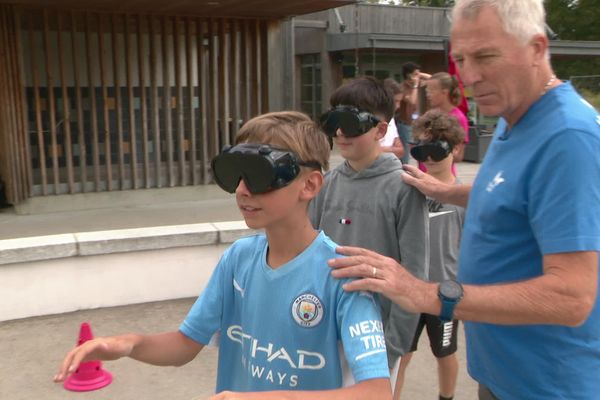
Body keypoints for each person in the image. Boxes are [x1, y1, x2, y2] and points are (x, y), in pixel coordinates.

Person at [326, 1, 600, 399]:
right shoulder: (516, 115)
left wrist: (425, 293)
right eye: (460, 60)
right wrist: (447, 191)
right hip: (503, 372)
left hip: (548, 383)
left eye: (486, 56)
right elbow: (525, 198)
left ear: (537, 49)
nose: (469, 77)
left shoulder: (567, 138)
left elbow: (572, 297)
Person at [53, 111, 393, 400]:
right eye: (236, 174)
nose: (243, 190)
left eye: (260, 174)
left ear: (310, 185)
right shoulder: (239, 259)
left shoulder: (343, 273)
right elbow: (186, 344)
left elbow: (377, 391)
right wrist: (126, 344)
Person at [310, 76, 429, 380]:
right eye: (334, 121)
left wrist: (391, 349)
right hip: (322, 332)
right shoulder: (329, 183)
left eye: (351, 122)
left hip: (374, 340)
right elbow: (309, 255)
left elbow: (414, 272)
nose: (339, 132)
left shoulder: (403, 187)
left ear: (380, 129)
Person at [392, 110, 466, 400]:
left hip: (445, 291)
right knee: (402, 354)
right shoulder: (407, 190)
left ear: (456, 149)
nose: (430, 158)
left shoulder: (462, 196)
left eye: (438, 149)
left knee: (445, 352)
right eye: (423, 150)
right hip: (409, 287)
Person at [422, 72, 470, 174]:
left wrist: (433, 153)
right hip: (422, 175)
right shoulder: (429, 115)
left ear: (445, 92)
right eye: (426, 91)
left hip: (442, 178)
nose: (427, 95)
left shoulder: (458, 118)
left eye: (431, 91)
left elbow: (458, 156)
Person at [396, 62, 431, 164]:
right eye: (415, 74)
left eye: (419, 74)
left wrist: (420, 75)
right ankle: (403, 172)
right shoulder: (402, 87)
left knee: (422, 153)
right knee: (405, 154)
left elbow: (434, 79)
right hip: (406, 125)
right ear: (408, 75)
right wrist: (414, 86)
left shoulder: (421, 83)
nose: (418, 76)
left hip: (420, 125)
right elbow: (412, 101)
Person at [380, 78, 406, 160]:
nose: (398, 106)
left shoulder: (391, 118)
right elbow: (367, 151)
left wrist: (383, 149)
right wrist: (392, 149)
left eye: (399, 102)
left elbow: (401, 151)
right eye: (396, 101)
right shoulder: (371, 120)